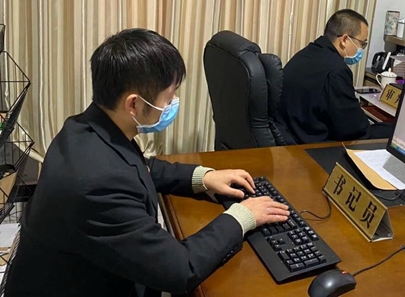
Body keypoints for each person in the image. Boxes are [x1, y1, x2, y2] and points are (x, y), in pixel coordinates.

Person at [5, 28, 290, 297]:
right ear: (134, 104)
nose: (174, 102)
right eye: (169, 96)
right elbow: (180, 269)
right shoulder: (97, 185)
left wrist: (202, 177)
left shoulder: (85, 128)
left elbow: (140, 166)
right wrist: (241, 218)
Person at [278, 9, 393, 144]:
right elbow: (353, 129)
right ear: (344, 40)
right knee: (392, 133)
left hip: (291, 133)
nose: (361, 49)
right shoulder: (336, 70)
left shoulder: (308, 53)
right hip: (309, 144)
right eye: (362, 43)